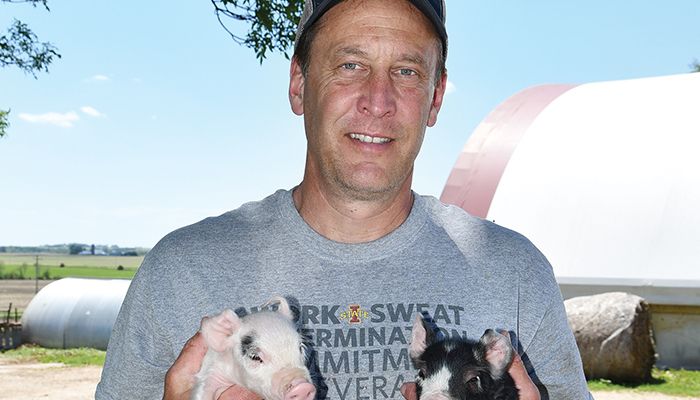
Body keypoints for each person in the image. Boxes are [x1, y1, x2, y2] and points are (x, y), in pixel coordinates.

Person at [96, 0, 592, 399]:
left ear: (436, 99)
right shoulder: (181, 271)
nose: (378, 100)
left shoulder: (515, 272)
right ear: (298, 84)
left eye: (406, 71)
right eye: (350, 64)